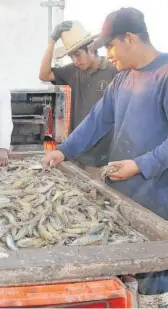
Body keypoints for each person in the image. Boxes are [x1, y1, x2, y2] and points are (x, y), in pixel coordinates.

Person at [41, 7, 168, 295]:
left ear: (131, 39)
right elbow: (97, 120)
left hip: (157, 199)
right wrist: (64, 151)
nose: (108, 54)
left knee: (153, 278)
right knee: (123, 269)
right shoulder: (122, 79)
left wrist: (139, 164)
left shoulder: (164, 74)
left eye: (111, 45)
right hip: (122, 194)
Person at [39, 20, 118, 171]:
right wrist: (51, 42)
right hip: (76, 151)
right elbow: (44, 74)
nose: (75, 60)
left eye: (77, 54)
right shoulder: (73, 71)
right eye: (71, 56)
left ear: (91, 48)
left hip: (103, 156)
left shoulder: (113, 71)